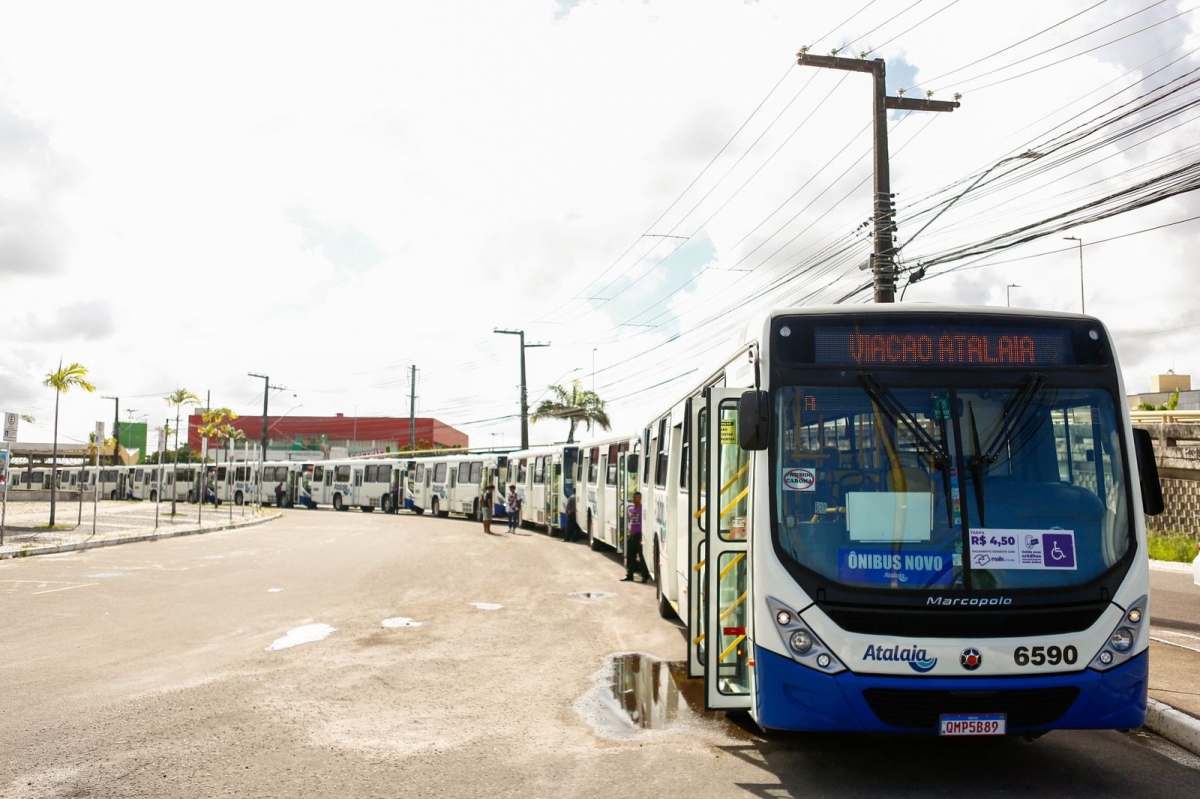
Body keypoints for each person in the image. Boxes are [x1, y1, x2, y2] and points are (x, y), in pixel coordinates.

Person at [621, 491, 651, 582]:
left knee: (642, 557)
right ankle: (629, 575)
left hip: (639, 536)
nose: (633, 499)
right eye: (633, 498)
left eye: (635, 498)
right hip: (632, 535)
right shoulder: (630, 509)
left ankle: (645, 576)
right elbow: (630, 521)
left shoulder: (643, 510)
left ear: (640, 498)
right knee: (630, 556)